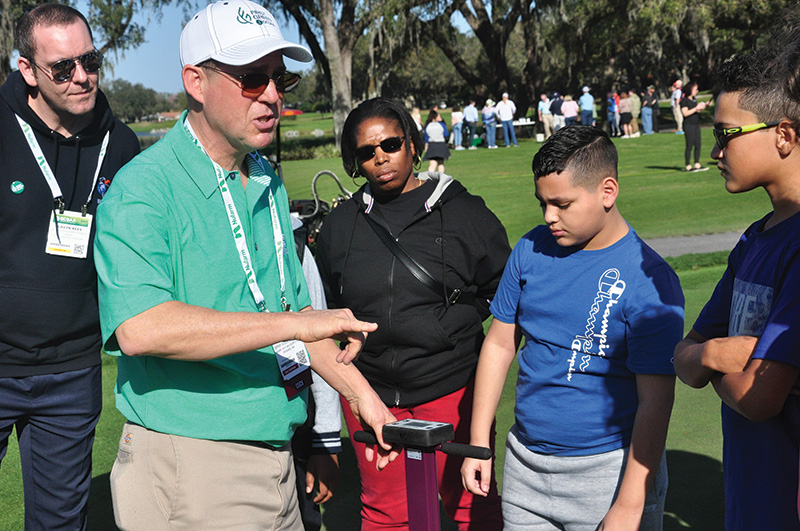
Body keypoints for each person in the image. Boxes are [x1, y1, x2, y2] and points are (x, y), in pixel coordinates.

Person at [93, 1, 398, 528]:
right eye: (252, 79)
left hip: (277, 452)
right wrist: (297, 323)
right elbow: (141, 327)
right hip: (192, 462)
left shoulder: (264, 178)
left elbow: (291, 311)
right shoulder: (143, 188)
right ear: (196, 81)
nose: (274, 96)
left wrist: (366, 402)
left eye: (280, 79)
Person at [461, 125, 684, 530]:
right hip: (525, 466)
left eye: (562, 203)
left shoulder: (649, 279)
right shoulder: (529, 249)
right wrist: (479, 441)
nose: (549, 216)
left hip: (610, 472)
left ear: (607, 191)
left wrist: (630, 505)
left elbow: (656, 400)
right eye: (542, 203)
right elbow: (498, 345)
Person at [316, 97, 508, 530]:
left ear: (413, 144)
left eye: (391, 143)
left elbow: (503, 294)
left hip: (451, 387)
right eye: (367, 151)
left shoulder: (466, 212)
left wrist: (446, 326)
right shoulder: (340, 225)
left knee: (470, 506)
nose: (380, 156)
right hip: (370, 393)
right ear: (354, 162)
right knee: (385, 513)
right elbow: (327, 307)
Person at [0, 4, 139, 529]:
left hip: (71, 369)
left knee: (61, 523)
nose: (82, 77)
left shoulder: (120, 143)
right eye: (63, 67)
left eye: (90, 60)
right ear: (27, 70)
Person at [673, 44, 800, 530]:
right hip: (749, 496)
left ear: (784, 135)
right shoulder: (753, 240)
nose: (716, 151)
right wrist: (711, 355)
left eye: (727, 134)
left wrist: (706, 359)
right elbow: (686, 354)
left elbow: (759, 398)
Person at [680, 81, 710, 172]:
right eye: (695, 89)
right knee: (689, 145)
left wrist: (704, 105)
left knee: (698, 144)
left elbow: (696, 111)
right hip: (689, 125)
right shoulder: (684, 100)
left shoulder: (693, 99)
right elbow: (685, 113)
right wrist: (696, 108)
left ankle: (697, 164)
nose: (697, 91)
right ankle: (688, 166)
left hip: (696, 124)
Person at [423, 108, 450, 172]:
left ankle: (430, 179)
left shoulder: (428, 125)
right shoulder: (442, 125)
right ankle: (441, 178)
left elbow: (426, 137)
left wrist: (426, 146)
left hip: (432, 145)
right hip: (441, 144)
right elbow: (446, 134)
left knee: (432, 164)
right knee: (441, 163)